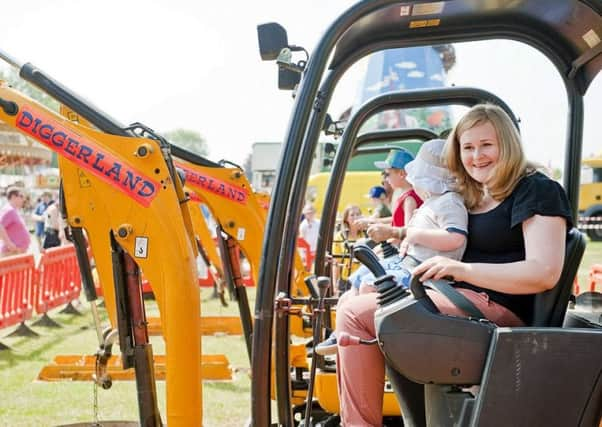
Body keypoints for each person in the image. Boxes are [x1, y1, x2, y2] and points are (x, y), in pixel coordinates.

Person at [335, 104, 572, 426]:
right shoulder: (474, 195)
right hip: (461, 298)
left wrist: (460, 270)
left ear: (508, 144)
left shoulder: (536, 190)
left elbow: (542, 273)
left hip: (499, 311)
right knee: (357, 303)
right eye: (468, 148)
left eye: (487, 145)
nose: (477, 156)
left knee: (359, 315)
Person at [317, 139, 468, 355]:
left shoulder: (448, 202)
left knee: (370, 286)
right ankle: (342, 331)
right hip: (409, 262)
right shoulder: (432, 203)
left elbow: (455, 238)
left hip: (421, 270)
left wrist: (409, 234)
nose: (386, 178)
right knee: (355, 283)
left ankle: (361, 334)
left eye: (389, 173)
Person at [355, 148, 423, 232]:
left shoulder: (409, 199)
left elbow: (408, 231)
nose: (385, 179)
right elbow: (397, 221)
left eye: (387, 174)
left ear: (401, 174)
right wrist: (374, 222)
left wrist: (385, 230)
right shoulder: (406, 195)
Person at [0, 187, 31, 257]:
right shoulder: (9, 210)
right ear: (13, 197)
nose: (24, 199)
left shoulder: (14, 210)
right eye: (21, 196)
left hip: (17, 252)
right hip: (11, 252)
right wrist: (9, 243)